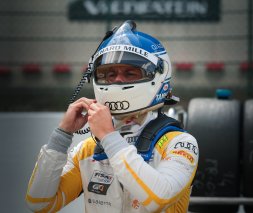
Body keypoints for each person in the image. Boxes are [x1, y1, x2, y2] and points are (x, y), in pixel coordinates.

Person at [25, 20, 198, 213]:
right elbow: (39, 203)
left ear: (158, 75)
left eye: (130, 73)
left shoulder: (179, 143)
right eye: (109, 74)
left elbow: (159, 198)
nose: (117, 80)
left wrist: (109, 137)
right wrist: (62, 135)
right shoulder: (87, 150)